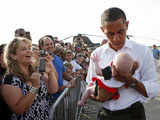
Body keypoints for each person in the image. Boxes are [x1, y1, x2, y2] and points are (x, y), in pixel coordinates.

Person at [86, 7, 159, 120]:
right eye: (110, 34)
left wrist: (129, 81)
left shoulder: (142, 51)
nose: (116, 38)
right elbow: (89, 85)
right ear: (102, 30)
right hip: (105, 114)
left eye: (121, 32)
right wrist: (99, 96)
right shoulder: (97, 54)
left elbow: (154, 88)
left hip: (133, 114)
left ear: (127, 25)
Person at [0, 37, 58, 120]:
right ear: (13, 56)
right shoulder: (10, 79)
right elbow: (19, 110)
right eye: (24, 49)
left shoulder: (36, 71)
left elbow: (53, 90)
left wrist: (51, 71)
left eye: (29, 48)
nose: (29, 51)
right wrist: (34, 87)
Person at [39, 36, 75, 106]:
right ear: (41, 47)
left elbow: (63, 73)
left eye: (51, 44)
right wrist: (61, 88)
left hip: (59, 98)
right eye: (47, 45)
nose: (50, 46)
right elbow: (43, 82)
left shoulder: (58, 58)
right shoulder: (41, 61)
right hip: (48, 100)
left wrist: (71, 79)